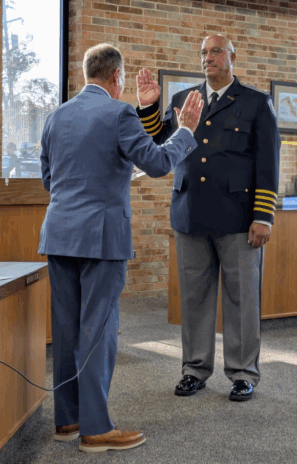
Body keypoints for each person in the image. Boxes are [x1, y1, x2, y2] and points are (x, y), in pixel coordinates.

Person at [39, 43, 204, 452]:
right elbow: (158, 163)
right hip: (101, 237)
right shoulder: (119, 112)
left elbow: (49, 179)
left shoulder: (55, 116)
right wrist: (185, 131)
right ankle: (96, 430)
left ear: (86, 73)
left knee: (66, 329)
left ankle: (69, 420)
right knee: (98, 330)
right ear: (117, 78)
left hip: (59, 234)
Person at [136, 34, 281, 402]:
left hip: (238, 217)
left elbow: (268, 163)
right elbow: (159, 144)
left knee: (242, 300)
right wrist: (149, 107)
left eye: (216, 51)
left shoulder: (255, 103)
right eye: (204, 52)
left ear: (233, 56)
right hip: (191, 212)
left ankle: (243, 373)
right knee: (195, 299)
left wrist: (263, 215)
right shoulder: (185, 100)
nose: (208, 58)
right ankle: (194, 369)